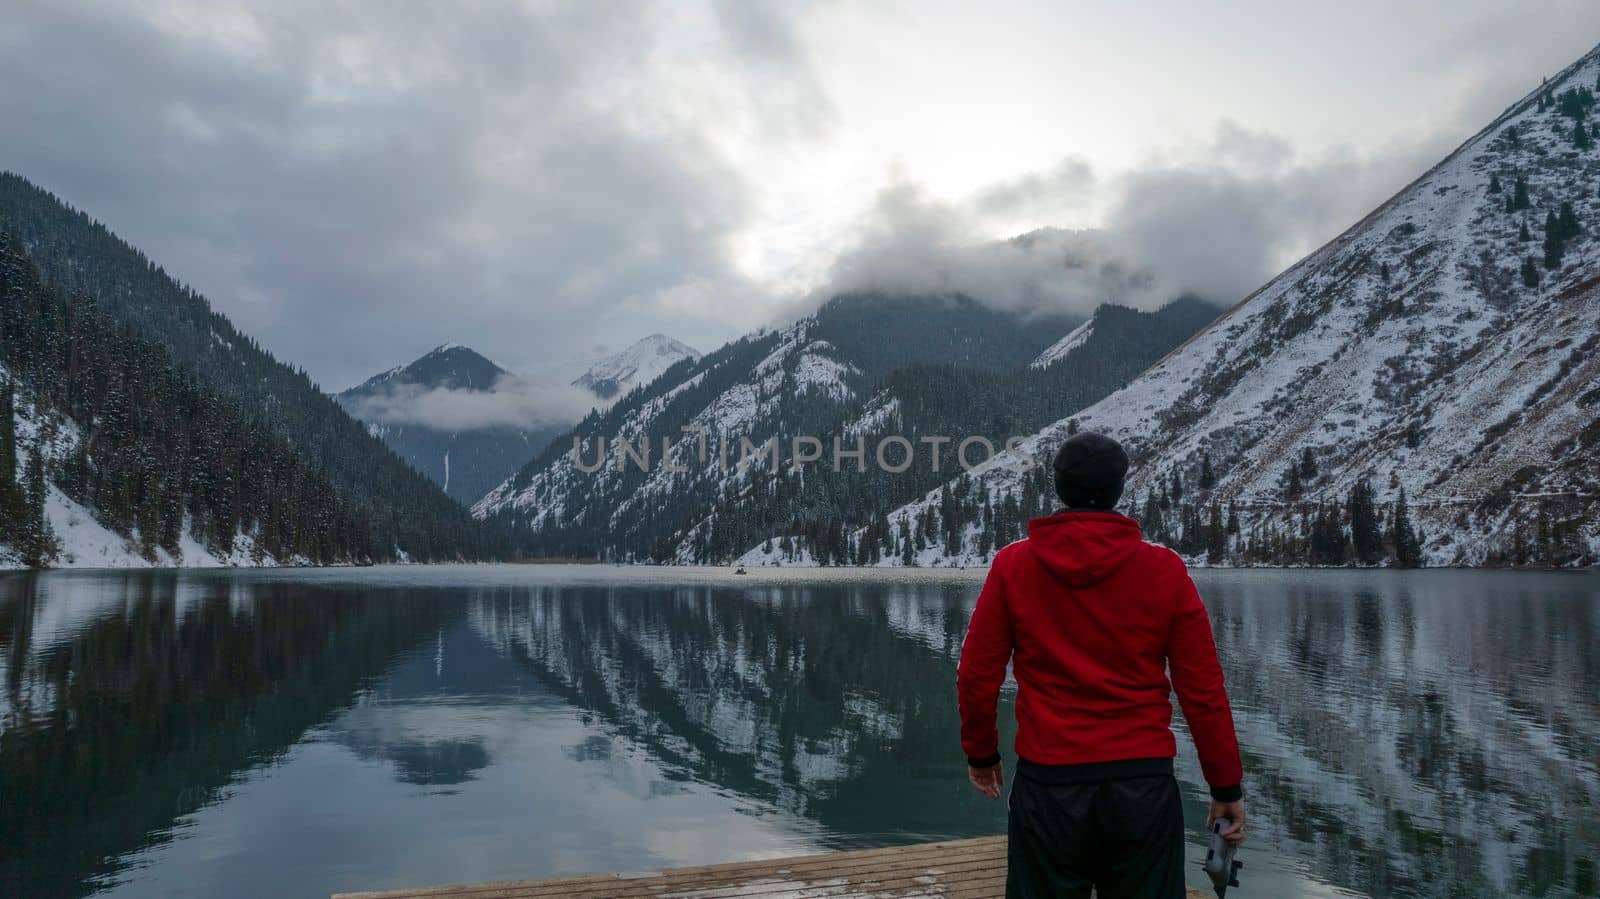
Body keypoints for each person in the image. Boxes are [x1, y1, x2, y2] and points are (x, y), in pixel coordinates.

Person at [956, 431, 1245, 899]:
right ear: (1117, 490)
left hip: (1049, 786)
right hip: (1143, 788)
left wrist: (982, 753)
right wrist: (1226, 787)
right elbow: (1203, 690)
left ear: (1059, 488)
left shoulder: (1014, 566)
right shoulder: (1165, 570)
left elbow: (976, 674)